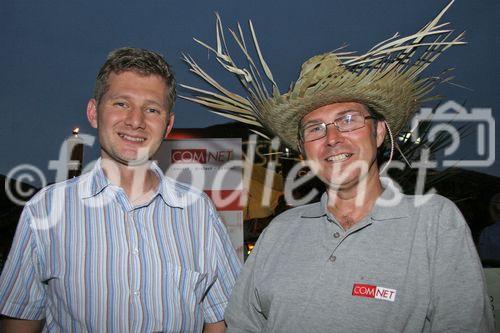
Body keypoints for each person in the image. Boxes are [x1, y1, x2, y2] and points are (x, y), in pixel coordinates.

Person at [181, 2, 495, 332]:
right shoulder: (281, 231)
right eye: (315, 128)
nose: (332, 138)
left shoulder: (433, 223)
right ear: (303, 149)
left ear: (378, 133)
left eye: (348, 120)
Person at [0, 47, 241, 332]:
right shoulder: (44, 210)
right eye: (121, 104)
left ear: (168, 125)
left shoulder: (199, 212)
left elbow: (221, 318)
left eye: (152, 109)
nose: (136, 121)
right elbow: (20, 320)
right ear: (93, 112)